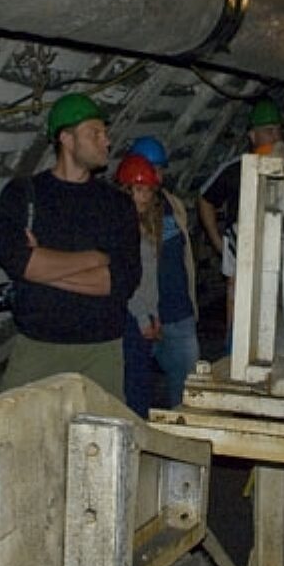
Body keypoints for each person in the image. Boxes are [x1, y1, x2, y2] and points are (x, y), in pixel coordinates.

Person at [0, 93, 140, 400]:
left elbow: (120, 282)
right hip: (38, 347)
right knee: (18, 428)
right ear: (66, 139)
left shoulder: (116, 204)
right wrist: (95, 258)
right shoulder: (24, 195)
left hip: (101, 350)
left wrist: (42, 268)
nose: (106, 141)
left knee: (102, 430)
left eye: (105, 133)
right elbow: (17, 261)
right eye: (95, 133)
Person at [198, 98, 284, 346]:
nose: (275, 136)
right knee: (238, 305)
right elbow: (205, 199)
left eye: (278, 130)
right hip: (242, 250)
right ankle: (233, 348)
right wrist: (219, 243)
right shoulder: (236, 169)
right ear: (252, 136)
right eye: (268, 130)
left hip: (280, 250)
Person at [123, 137, 198, 407]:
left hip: (178, 311)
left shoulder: (173, 205)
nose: (155, 175)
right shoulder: (121, 215)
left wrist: (191, 306)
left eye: (158, 169)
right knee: (137, 388)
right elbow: (124, 272)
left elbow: (184, 257)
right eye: (148, 168)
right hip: (142, 317)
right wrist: (143, 316)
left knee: (188, 390)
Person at [116, 153, 162, 418]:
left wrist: (155, 314)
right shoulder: (123, 228)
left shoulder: (144, 226)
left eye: (148, 191)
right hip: (131, 317)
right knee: (135, 384)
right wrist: (144, 318)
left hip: (145, 314)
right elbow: (126, 278)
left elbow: (150, 278)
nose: (144, 197)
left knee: (142, 380)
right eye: (138, 190)